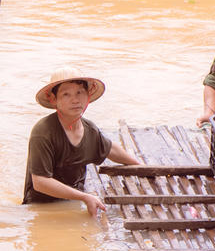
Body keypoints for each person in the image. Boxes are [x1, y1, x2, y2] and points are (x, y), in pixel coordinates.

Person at [23, 66, 140, 217]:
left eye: (80, 92)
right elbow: (40, 182)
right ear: (53, 99)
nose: (75, 100)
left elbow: (110, 149)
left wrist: (139, 166)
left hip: (73, 199)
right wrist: (84, 197)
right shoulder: (43, 132)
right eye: (66, 94)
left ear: (88, 96)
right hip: (42, 206)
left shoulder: (90, 129)